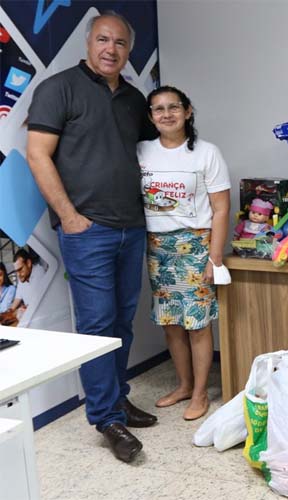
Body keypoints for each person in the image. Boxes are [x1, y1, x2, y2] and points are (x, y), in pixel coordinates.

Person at [26, 11, 159, 463]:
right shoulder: (58, 88)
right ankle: (106, 419)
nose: (111, 49)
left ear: (128, 51)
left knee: (121, 323)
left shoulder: (134, 98)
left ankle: (117, 399)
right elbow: (38, 155)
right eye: (103, 39)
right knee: (96, 327)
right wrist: (69, 216)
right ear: (88, 43)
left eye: (120, 43)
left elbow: (149, 153)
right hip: (88, 231)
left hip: (131, 227)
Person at [139, 85, 231, 421]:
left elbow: (221, 209)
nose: (166, 114)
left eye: (173, 107)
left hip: (195, 246)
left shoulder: (207, 153)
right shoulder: (142, 152)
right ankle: (182, 385)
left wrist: (214, 257)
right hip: (158, 247)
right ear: (151, 116)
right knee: (171, 324)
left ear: (188, 111)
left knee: (197, 324)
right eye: (158, 109)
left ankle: (200, 393)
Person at [7, 248, 46, 322]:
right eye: (16, 271)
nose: (18, 275)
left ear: (28, 263)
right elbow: (18, 298)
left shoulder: (39, 272)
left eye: (20, 269)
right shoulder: (23, 277)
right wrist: (9, 311)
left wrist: (18, 311)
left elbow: (36, 303)